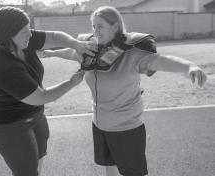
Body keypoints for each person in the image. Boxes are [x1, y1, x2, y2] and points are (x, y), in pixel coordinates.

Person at [43, 6, 207, 176]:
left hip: (126, 128)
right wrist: (52, 53)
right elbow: (71, 52)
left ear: (115, 26)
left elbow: (162, 61)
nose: (95, 31)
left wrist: (189, 66)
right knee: (110, 165)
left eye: (100, 26)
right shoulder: (90, 48)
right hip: (100, 124)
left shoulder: (132, 53)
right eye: (93, 26)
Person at [0, 6, 96, 176]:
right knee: (26, 171)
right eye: (25, 31)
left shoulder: (22, 40)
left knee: (39, 152)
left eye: (29, 29)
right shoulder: (5, 68)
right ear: (9, 34)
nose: (30, 34)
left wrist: (76, 44)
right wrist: (71, 82)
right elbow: (42, 96)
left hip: (32, 113)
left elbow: (54, 36)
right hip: (8, 124)